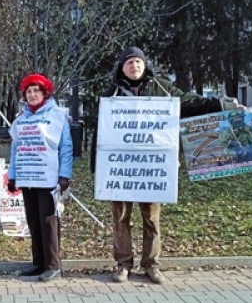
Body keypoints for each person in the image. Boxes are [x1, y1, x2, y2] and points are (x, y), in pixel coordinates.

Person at [91, 46, 240, 284]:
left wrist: (226, 106)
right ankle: (123, 265)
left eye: (138, 62)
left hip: (153, 169)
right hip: (120, 169)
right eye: (129, 63)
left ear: (144, 65)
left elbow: (192, 102)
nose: (134, 66)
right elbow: (101, 132)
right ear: (122, 67)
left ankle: (151, 265)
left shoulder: (162, 89)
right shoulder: (112, 95)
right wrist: (98, 169)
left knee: (151, 218)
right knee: (121, 219)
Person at [7, 73, 73, 282]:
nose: (33, 94)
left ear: (44, 92)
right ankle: (38, 263)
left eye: (36, 90)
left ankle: (53, 264)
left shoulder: (58, 115)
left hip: (48, 178)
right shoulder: (20, 119)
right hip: (27, 177)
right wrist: (12, 175)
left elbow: (66, 147)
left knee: (48, 221)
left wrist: (65, 175)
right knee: (33, 220)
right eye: (29, 91)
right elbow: (15, 148)